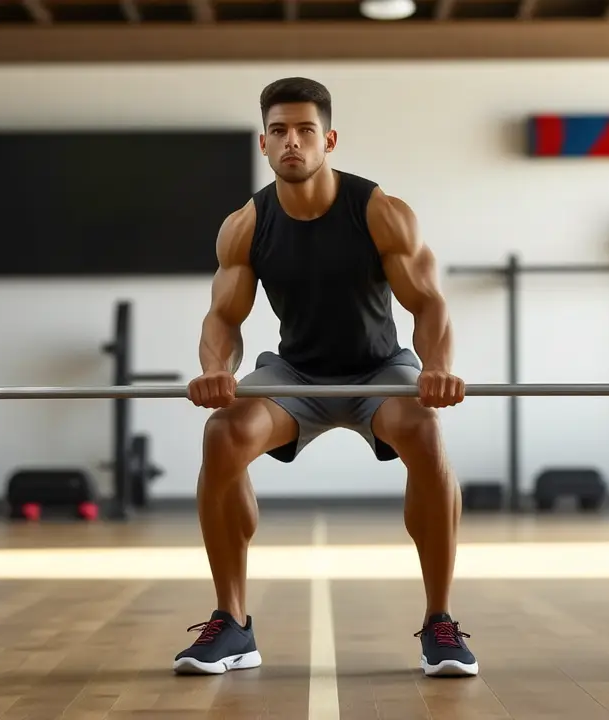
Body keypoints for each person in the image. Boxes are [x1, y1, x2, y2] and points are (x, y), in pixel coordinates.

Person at [172, 77, 477, 679]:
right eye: (279, 131)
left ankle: (440, 621)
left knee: (424, 432)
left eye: (305, 130)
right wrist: (215, 371)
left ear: (328, 139)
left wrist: (437, 368)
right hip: (297, 374)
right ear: (263, 143)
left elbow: (429, 304)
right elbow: (223, 317)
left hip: (377, 370)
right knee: (222, 435)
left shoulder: (381, 213)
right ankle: (231, 624)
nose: (292, 142)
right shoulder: (245, 225)